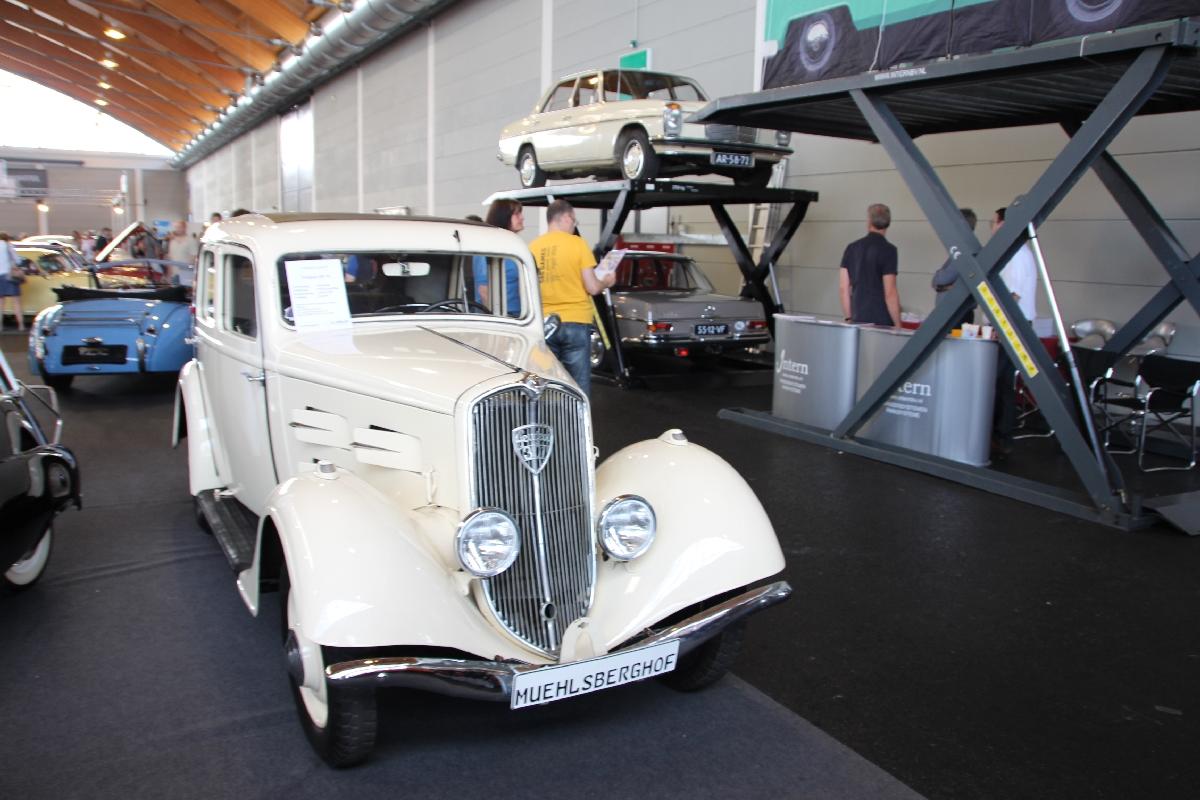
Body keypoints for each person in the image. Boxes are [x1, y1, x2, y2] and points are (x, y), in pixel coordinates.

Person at [529, 199, 615, 395]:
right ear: (567, 218)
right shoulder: (578, 244)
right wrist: (607, 281)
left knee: (546, 384)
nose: (574, 225)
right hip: (576, 321)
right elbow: (592, 287)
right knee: (578, 387)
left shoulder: (533, 247)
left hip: (544, 324)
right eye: (574, 221)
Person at [990, 205, 1040, 457]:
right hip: (1015, 323)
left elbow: (1013, 295)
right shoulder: (1020, 252)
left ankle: (1000, 435)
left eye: (994, 222)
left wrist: (999, 325)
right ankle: (1000, 434)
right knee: (1003, 382)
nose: (992, 227)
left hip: (1011, 325)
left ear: (1004, 224)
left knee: (998, 380)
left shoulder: (1016, 254)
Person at [839, 203, 900, 327]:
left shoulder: (852, 248)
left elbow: (843, 288)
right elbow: (890, 292)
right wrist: (898, 324)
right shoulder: (889, 250)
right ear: (888, 223)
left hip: (858, 317)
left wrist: (848, 318)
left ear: (869, 222)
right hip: (882, 320)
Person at [473, 199, 524, 316]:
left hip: (518, 316)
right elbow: (483, 290)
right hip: (501, 316)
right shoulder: (488, 246)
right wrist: (496, 319)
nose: (522, 218)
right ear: (503, 216)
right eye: (517, 214)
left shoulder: (514, 246)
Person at [930, 208, 979, 328]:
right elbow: (938, 281)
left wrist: (942, 282)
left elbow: (941, 279)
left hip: (957, 313)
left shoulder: (964, 251)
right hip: (954, 311)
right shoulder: (961, 248)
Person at [0, 233, 25, 331]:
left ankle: (0, 326)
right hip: (10, 276)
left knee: (1, 303)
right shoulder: (8, 245)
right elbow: (17, 261)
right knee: (16, 302)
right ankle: (21, 325)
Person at [166, 221, 199, 287]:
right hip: (174, 274)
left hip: (186, 274)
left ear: (185, 228)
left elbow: (194, 258)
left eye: (179, 227)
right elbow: (170, 258)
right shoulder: (172, 241)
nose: (177, 229)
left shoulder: (191, 240)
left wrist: (191, 271)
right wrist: (169, 273)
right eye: (176, 227)